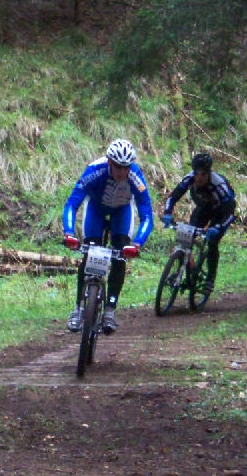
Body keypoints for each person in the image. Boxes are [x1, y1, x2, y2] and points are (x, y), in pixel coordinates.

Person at [62, 139, 154, 334]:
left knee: (121, 255)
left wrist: (136, 244)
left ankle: (110, 308)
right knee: (88, 255)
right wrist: (69, 232)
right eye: (118, 167)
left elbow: (147, 215)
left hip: (122, 211)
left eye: (126, 167)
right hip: (95, 208)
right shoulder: (95, 170)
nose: (122, 172)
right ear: (109, 162)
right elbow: (72, 204)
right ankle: (78, 308)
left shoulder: (136, 177)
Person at [161, 153, 235, 300]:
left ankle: (210, 279)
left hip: (222, 213)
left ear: (209, 173)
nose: (199, 178)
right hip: (204, 208)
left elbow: (230, 213)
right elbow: (173, 197)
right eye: (197, 173)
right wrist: (168, 213)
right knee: (186, 235)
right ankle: (182, 265)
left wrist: (219, 228)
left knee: (213, 242)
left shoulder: (219, 185)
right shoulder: (189, 179)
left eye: (203, 174)